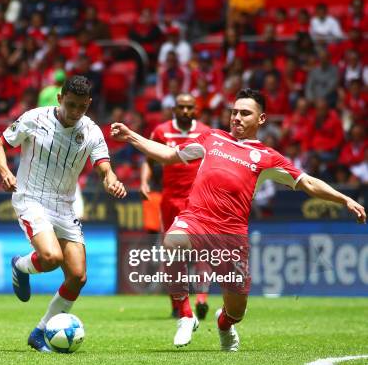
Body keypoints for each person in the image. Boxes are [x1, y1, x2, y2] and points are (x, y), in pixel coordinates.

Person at [111, 89, 365, 351]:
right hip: (196, 219)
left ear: (262, 119)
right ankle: (186, 316)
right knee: (172, 243)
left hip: (231, 235)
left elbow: (308, 182)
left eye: (245, 113)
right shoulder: (212, 138)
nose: (237, 118)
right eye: (234, 112)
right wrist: (131, 136)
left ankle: (224, 325)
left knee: (237, 310)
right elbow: (168, 155)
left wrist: (344, 199)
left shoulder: (267, 157)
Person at [0, 75, 127, 352]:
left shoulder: (91, 131)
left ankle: (40, 332)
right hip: (31, 199)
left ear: (88, 104)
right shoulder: (34, 118)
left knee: (78, 277)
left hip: (64, 206)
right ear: (59, 99)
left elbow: (103, 166)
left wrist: (111, 179)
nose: (75, 113)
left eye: (81, 107)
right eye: (71, 105)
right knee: (51, 257)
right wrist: (5, 172)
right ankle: (21, 265)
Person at [140, 94, 212, 320]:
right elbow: (149, 159)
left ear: (196, 109)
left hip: (197, 200)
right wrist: (144, 180)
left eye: (189, 107)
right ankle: (177, 304)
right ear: (174, 108)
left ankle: (201, 298)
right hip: (170, 200)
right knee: (172, 253)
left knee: (202, 249)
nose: (185, 111)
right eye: (181, 107)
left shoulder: (205, 132)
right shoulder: (161, 132)